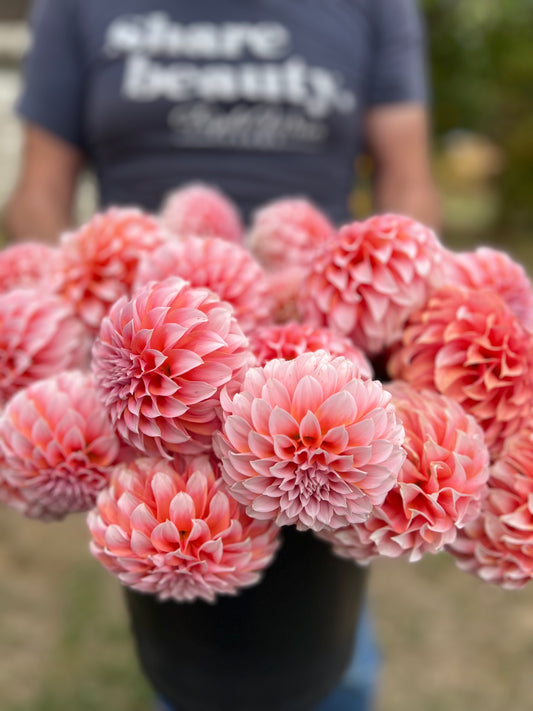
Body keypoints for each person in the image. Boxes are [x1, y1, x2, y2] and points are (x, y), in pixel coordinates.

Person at [1, 1, 441, 709]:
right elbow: (40, 189)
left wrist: (400, 299)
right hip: (138, 363)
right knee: (194, 661)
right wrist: (60, 321)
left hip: (325, 339)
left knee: (328, 648)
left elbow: (406, 172)